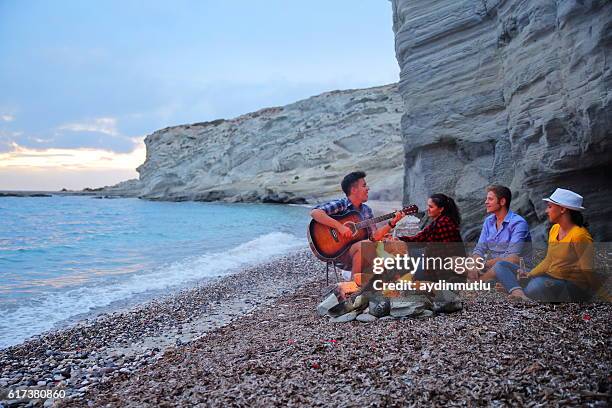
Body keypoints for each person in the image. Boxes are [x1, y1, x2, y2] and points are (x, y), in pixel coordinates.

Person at [495, 188, 594, 302]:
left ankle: (515, 288)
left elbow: (588, 270)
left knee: (536, 286)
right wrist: (529, 274)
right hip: (549, 276)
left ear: (562, 209)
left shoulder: (580, 236)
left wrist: (601, 294)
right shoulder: (555, 229)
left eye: (550, 206)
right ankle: (519, 292)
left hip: (571, 286)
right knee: (501, 265)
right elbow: (549, 260)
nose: (547, 210)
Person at [310, 171, 400, 289]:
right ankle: (353, 286)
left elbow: (374, 237)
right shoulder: (341, 204)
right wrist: (340, 227)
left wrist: (392, 223)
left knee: (392, 245)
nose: (368, 188)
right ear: (353, 190)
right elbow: (315, 213)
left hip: (356, 252)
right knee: (364, 246)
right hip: (337, 251)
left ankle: (376, 283)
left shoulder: (367, 210)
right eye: (364, 185)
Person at [393, 193, 466, 282]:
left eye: (431, 207)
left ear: (441, 209)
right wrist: (400, 239)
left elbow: (421, 242)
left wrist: (401, 241)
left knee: (405, 260)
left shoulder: (443, 224)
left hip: (444, 268)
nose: (428, 209)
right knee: (408, 253)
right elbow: (419, 238)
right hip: (437, 261)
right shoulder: (439, 221)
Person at [467, 185, 531, 282]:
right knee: (455, 261)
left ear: (502, 202)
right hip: (490, 265)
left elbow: (511, 256)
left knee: (504, 263)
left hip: (513, 267)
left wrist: (484, 264)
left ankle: (479, 282)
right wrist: (475, 265)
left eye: (490, 199)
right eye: (486, 199)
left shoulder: (518, 223)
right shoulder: (488, 221)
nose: (486, 202)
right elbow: (480, 248)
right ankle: (482, 279)